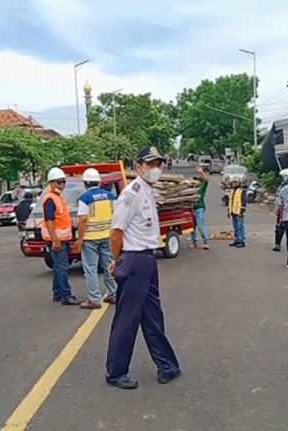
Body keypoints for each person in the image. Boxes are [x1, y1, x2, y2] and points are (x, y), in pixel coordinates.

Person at [105, 146, 180, 390]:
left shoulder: (148, 190)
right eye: (150, 164)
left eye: (158, 164)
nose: (155, 168)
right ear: (138, 167)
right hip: (135, 260)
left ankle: (167, 365)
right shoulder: (131, 193)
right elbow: (116, 232)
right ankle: (115, 372)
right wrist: (118, 260)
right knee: (127, 319)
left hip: (147, 260)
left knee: (153, 316)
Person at [74, 168, 118, 310]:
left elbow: (82, 220)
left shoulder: (84, 198)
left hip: (91, 238)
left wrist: (80, 239)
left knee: (91, 269)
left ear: (85, 183)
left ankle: (94, 299)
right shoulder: (110, 196)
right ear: (99, 182)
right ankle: (114, 293)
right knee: (109, 266)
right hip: (107, 235)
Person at [42, 167, 81, 305]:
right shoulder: (50, 199)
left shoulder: (58, 197)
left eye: (64, 182)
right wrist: (55, 240)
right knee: (63, 268)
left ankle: (58, 293)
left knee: (59, 267)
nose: (62, 185)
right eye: (60, 182)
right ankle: (66, 295)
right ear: (52, 183)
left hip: (62, 239)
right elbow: (49, 221)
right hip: (57, 240)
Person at [190, 166, 211, 250]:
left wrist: (201, 172)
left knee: (200, 225)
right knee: (192, 227)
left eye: (197, 181)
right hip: (192, 209)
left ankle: (206, 242)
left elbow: (206, 180)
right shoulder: (190, 190)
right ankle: (194, 242)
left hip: (199, 209)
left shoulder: (201, 189)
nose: (195, 182)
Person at [273, 168, 288, 252]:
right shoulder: (282, 186)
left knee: (286, 229)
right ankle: (278, 244)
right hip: (283, 211)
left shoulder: (287, 188)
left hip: (287, 211)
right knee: (279, 228)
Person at [228, 177, 247, 248]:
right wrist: (228, 211)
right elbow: (230, 202)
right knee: (235, 227)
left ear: (239, 183)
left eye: (236, 182)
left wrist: (242, 212)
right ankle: (236, 240)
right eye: (233, 182)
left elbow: (244, 202)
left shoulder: (242, 191)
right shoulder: (232, 191)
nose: (234, 183)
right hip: (233, 211)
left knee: (240, 227)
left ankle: (241, 241)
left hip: (239, 212)